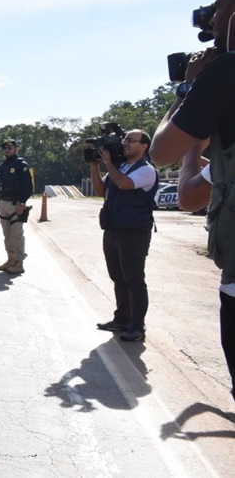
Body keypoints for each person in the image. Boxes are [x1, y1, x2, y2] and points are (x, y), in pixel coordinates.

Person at [150, 0, 235, 400]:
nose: (212, 20)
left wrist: (188, 89)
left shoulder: (225, 72)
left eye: (218, 9)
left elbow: (162, 151)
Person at [89, 130, 158, 343]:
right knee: (118, 278)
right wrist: (95, 166)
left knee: (134, 280)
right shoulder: (119, 168)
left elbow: (124, 184)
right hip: (113, 230)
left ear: (143, 146)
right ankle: (122, 319)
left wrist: (108, 163)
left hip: (134, 232)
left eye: (131, 140)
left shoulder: (146, 170)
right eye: (125, 139)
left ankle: (137, 326)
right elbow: (101, 191)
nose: (125, 143)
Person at [0, 138, 33, 275]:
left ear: (17, 149)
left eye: (10, 147)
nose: (7, 150)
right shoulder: (1, 166)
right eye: (5, 148)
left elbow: (28, 186)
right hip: (3, 203)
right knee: (7, 234)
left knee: (16, 234)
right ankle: (11, 260)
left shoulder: (21, 165)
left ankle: (19, 263)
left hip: (16, 203)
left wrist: (22, 203)